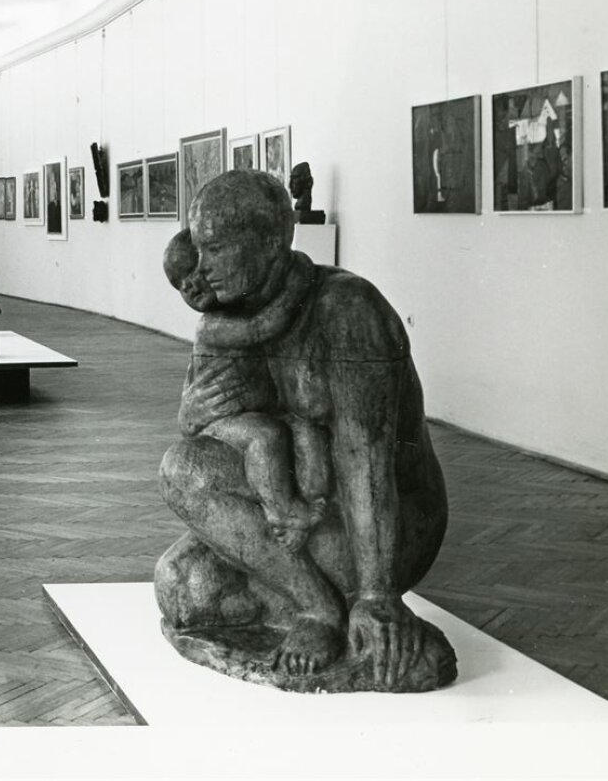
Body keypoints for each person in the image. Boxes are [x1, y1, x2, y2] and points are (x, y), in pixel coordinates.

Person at [155, 170, 449, 686]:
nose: (202, 267)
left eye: (216, 249)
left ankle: (322, 610)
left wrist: (376, 596)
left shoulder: (347, 311)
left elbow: (365, 460)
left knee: (181, 472)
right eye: (199, 249)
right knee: (184, 589)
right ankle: (302, 598)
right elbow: (209, 425)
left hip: (378, 530)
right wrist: (192, 412)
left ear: (271, 242)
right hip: (297, 509)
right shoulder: (231, 311)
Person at [162, 230, 328, 550]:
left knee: (300, 437)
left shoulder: (237, 312)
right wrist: (300, 276)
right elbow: (263, 327)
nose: (189, 286)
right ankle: (281, 511)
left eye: (194, 271)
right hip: (221, 418)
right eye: (179, 284)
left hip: (249, 409)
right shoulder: (212, 324)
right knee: (264, 437)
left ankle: (302, 506)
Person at [45, 169, 62, 234]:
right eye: (53, 189)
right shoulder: (49, 206)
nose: (55, 191)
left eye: (56, 189)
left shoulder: (60, 204)